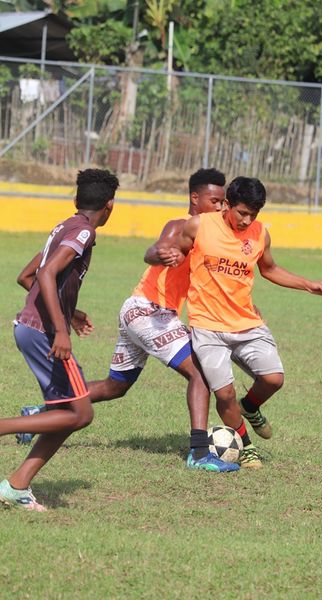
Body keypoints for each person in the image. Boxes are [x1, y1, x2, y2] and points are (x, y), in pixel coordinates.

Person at [17, 168, 239, 473]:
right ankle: (200, 453)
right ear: (194, 198)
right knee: (200, 373)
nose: (220, 207)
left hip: (140, 311)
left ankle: (38, 414)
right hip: (150, 313)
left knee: (115, 386)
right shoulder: (181, 225)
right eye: (214, 201)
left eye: (223, 202)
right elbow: (154, 250)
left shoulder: (213, 235)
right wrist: (164, 254)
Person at [165, 176, 322, 469]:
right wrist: (173, 256)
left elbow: (270, 269)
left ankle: (250, 406)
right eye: (242, 213)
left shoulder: (260, 234)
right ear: (227, 204)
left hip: (247, 322)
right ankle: (246, 446)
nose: (246, 220)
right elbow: (179, 252)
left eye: (253, 215)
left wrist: (309, 285)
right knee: (224, 393)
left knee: (273, 379)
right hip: (208, 325)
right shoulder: (199, 225)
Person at [0, 168, 119, 511]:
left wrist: (69, 311)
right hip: (43, 332)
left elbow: (27, 276)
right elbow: (48, 274)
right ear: (110, 206)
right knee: (81, 413)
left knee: (65, 413)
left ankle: (17, 486)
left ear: (76, 199)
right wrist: (61, 330)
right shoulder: (84, 232)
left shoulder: (64, 226)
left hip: (30, 326)